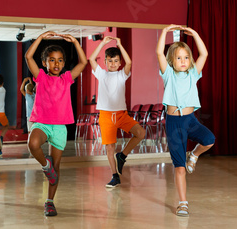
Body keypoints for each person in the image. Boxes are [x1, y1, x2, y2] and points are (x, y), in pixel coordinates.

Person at [25, 31, 87, 216]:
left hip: (60, 127)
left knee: (57, 168)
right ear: (44, 63)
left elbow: (83, 62)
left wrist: (76, 42)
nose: (56, 63)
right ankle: (45, 165)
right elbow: (29, 56)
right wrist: (41, 38)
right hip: (42, 124)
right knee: (33, 144)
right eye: (52, 60)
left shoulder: (66, 79)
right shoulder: (41, 77)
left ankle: (49, 202)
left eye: (60, 60)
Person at [156, 24, 215, 217]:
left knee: (209, 139)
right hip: (174, 124)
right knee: (179, 167)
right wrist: (164, 32)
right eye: (179, 57)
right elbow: (158, 52)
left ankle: (195, 156)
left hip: (190, 120)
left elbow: (204, 54)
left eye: (186, 57)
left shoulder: (193, 74)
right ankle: (183, 203)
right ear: (171, 61)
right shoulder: (168, 75)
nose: (183, 61)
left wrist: (196, 34)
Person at [88, 36, 145, 188]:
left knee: (140, 133)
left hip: (121, 115)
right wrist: (102, 43)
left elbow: (130, 62)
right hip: (106, 116)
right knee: (109, 147)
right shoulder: (101, 74)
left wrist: (120, 44)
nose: (113, 64)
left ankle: (123, 155)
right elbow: (92, 59)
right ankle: (114, 175)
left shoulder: (122, 75)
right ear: (105, 62)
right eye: (110, 61)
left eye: (116, 61)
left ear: (120, 63)